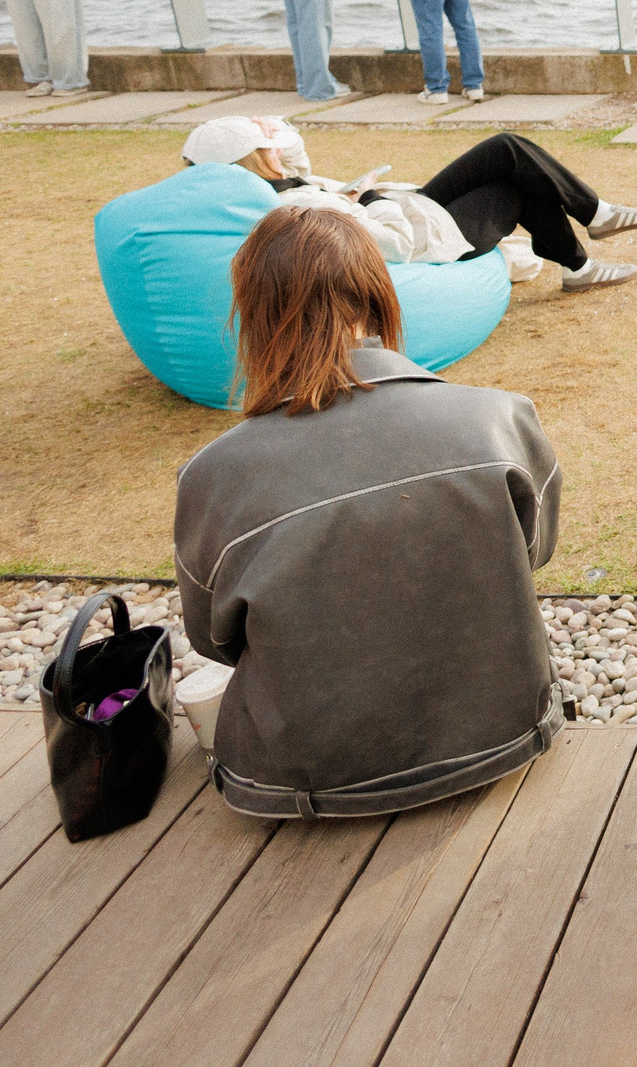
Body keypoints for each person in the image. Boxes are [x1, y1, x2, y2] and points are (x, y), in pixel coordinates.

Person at [174, 203, 564, 817]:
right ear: (379, 297)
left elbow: (213, 639)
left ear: (253, 317)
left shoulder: (212, 475)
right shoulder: (499, 418)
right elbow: (529, 555)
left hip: (305, 782)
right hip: (503, 737)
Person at [180, 114, 637, 289]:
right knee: (514, 178)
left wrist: (362, 192)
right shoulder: (293, 212)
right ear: (251, 161)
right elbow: (392, 246)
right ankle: (587, 242)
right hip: (429, 236)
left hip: (417, 208)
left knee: (506, 149)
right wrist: (369, 198)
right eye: (267, 150)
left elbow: (301, 173)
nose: (278, 152)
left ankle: (590, 233)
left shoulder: (274, 190)